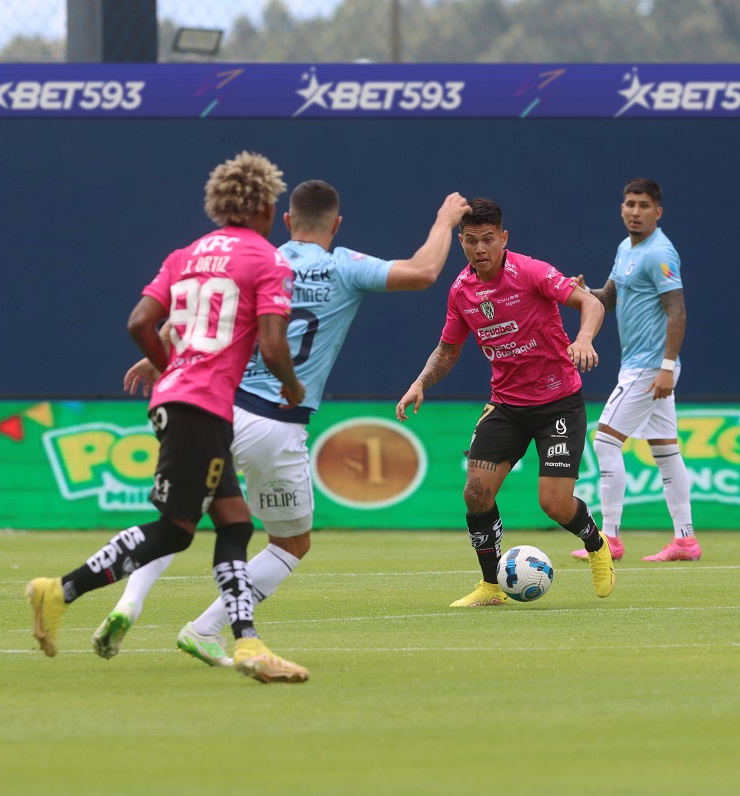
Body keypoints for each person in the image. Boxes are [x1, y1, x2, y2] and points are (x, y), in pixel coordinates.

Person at [95, 182, 472, 667]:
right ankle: (204, 628)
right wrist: (444, 221)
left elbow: (198, 315)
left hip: (221, 410)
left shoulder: (259, 262)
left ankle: (129, 603)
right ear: (335, 226)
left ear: (288, 222)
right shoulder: (343, 267)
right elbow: (423, 272)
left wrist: (162, 356)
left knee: (177, 519)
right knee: (290, 544)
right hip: (280, 425)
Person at [25, 151, 311, 683]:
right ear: (266, 206)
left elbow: (140, 321)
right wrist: (292, 388)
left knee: (234, 522)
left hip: (177, 400)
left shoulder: (185, 255)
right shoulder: (268, 261)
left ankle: (246, 643)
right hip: (203, 406)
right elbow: (273, 346)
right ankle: (58, 591)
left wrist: (172, 366)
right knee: (175, 530)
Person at [395, 197, 614, 606]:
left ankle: (595, 542)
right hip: (507, 407)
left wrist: (582, 339)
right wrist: (420, 382)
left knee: (553, 504)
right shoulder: (461, 291)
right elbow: (448, 349)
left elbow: (592, 302)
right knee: (476, 493)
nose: (480, 249)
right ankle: (491, 587)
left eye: (488, 240)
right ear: (461, 240)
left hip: (558, 403)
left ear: (504, 238)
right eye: (472, 240)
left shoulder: (530, 271)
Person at [571, 177, 698, 563]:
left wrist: (667, 367)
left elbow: (677, 312)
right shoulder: (626, 247)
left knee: (605, 442)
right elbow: (609, 298)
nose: (636, 211)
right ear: (622, 208)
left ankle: (609, 538)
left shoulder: (660, 253)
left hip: (648, 368)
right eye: (630, 204)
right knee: (666, 451)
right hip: (643, 367)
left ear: (657, 212)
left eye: (644, 205)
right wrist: (585, 292)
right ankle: (686, 540)